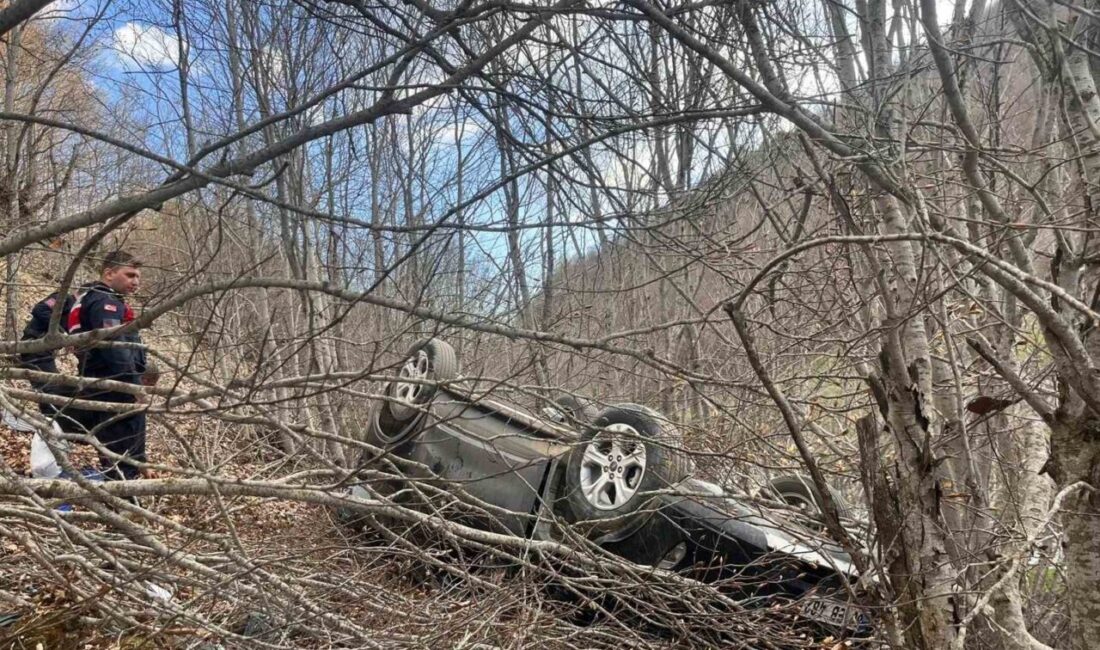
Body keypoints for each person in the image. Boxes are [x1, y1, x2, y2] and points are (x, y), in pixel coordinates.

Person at [67, 250, 150, 481]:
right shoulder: (106, 302)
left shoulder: (88, 297)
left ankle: (121, 497)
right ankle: (124, 503)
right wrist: (135, 387)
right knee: (122, 454)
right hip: (114, 387)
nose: (136, 282)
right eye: (130, 275)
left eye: (138, 277)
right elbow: (114, 350)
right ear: (109, 273)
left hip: (100, 382)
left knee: (115, 452)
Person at [18, 282, 96, 432]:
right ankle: (50, 426)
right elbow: (40, 309)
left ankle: (51, 424)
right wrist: (62, 333)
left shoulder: (76, 313)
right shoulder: (63, 299)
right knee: (49, 389)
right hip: (34, 346)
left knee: (52, 388)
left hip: (46, 352)